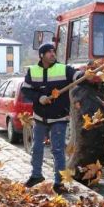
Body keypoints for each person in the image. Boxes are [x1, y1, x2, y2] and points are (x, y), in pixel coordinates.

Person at [21, 43, 84, 194]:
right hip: (40, 117)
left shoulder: (63, 68)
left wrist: (86, 74)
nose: (52, 54)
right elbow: (25, 90)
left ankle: (59, 183)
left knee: (57, 150)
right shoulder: (33, 71)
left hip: (59, 117)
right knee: (37, 148)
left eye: (53, 51)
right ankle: (36, 175)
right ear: (41, 55)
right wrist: (39, 97)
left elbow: (77, 76)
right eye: (49, 52)